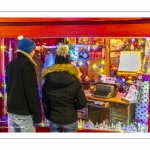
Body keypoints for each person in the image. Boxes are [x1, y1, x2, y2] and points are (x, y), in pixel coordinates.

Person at [42, 45, 87, 132]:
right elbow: (82, 103)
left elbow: (45, 101)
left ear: (56, 60)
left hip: (54, 118)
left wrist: (48, 115)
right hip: (70, 118)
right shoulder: (74, 79)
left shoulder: (48, 79)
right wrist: (72, 107)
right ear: (68, 61)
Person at [6, 35, 42, 132]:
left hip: (12, 112)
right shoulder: (27, 65)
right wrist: (38, 116)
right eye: (33, 49)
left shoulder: (10, 64)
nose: (34, 52)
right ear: (29, 51)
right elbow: (32, 92)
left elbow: (8, 88)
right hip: (24, 113)